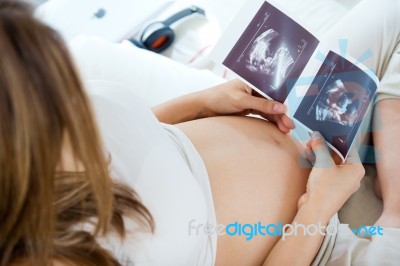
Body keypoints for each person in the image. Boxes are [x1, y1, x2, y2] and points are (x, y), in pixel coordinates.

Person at [0, 1, 397, 266]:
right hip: (315, 241)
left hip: (307, 124)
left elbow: (133, 132)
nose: (72, 101)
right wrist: (318, 207)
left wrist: (202, 102)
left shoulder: (56, 110)